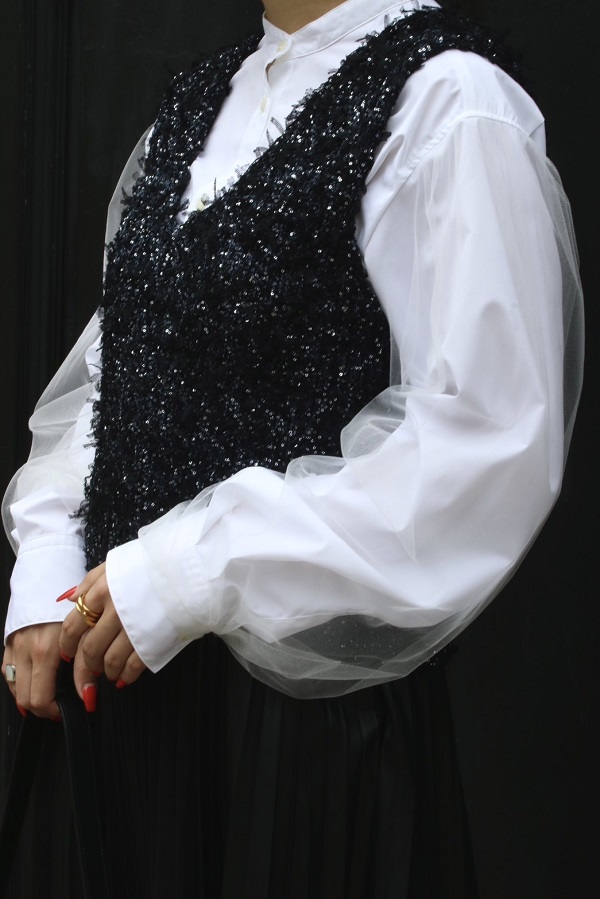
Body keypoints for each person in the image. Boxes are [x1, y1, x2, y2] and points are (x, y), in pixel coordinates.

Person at [2, 0, 583, 896]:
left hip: (290, 743)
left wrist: (197, 569)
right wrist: (50, 566)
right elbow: (123, 369)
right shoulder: (201, 102)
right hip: (121, 700)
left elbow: (484, 437)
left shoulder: (448, 101)